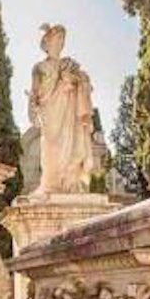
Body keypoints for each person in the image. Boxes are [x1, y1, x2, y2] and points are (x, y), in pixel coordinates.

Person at [29, 24, 96, 195]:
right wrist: (32, 111)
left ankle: (70, 181)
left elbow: (86, 85)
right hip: (49, 111)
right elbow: (35, 92)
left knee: (71, 145)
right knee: (50, 146)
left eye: (62, 39)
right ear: (48, 41)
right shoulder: (39, 67)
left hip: (68, 112)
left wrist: (77, 80)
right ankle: (50, 183)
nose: (60, 43)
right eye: (57, 39)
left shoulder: (70, 65)